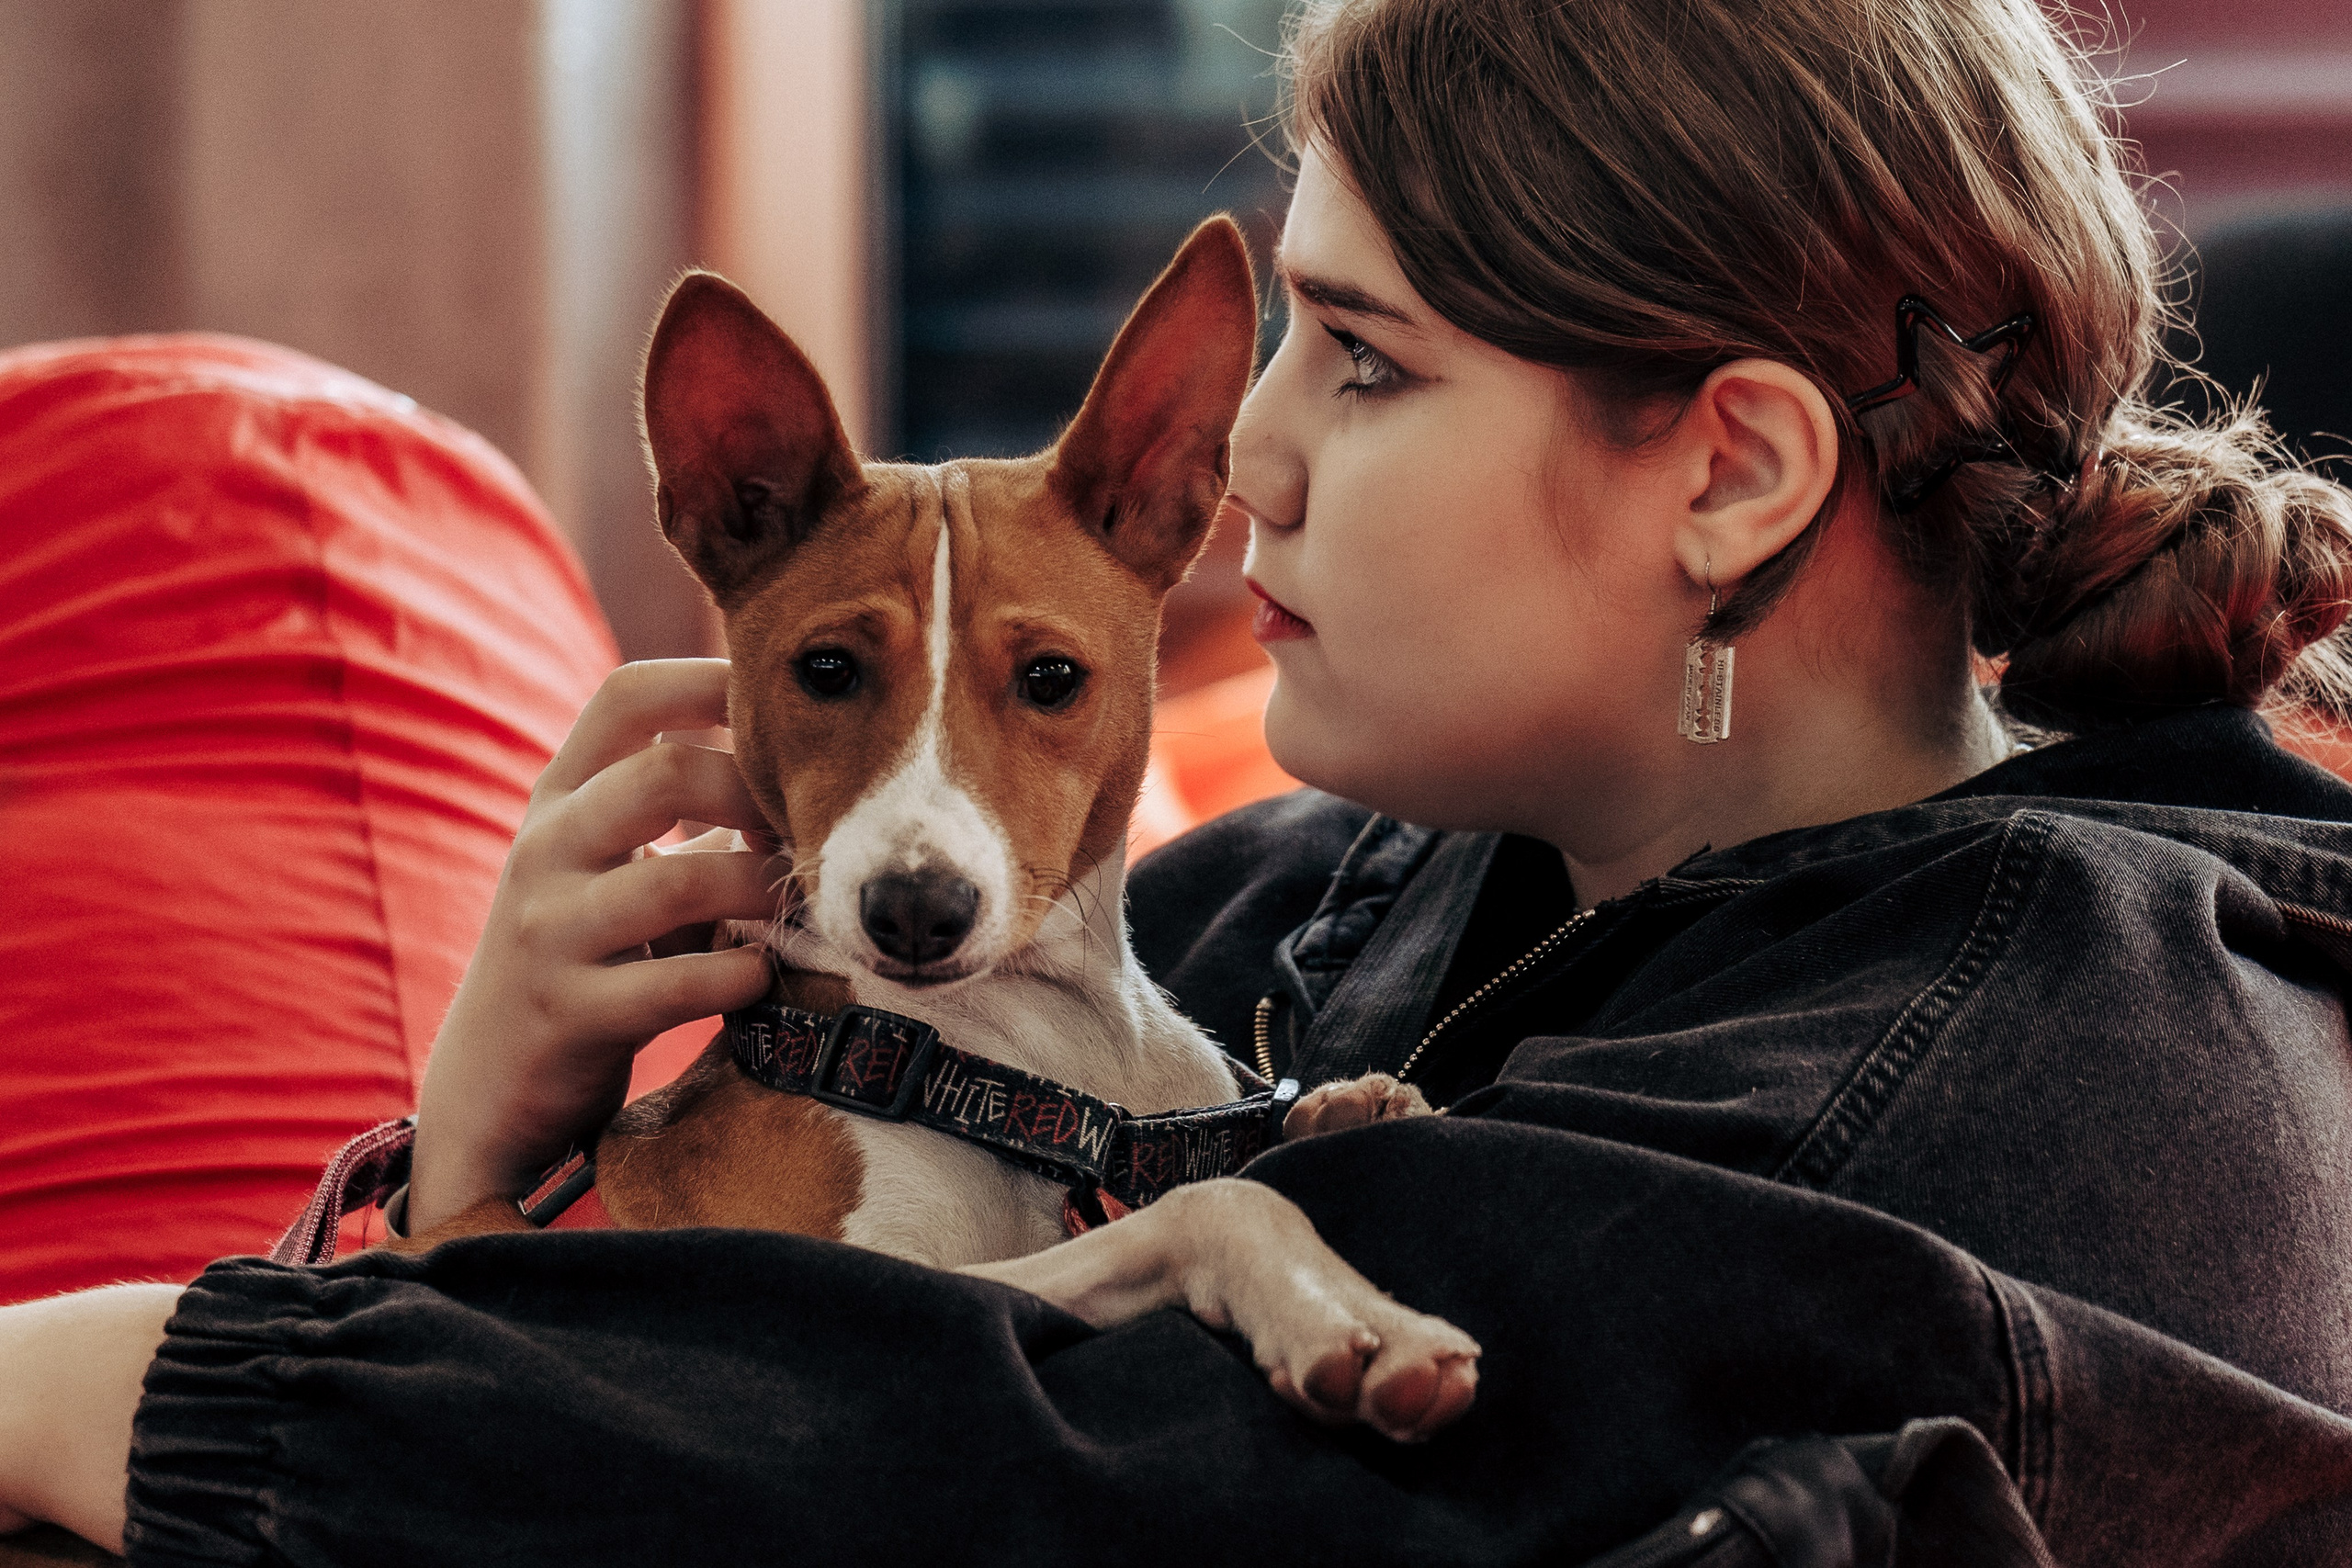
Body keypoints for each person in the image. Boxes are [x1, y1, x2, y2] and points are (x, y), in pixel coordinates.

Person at [7, 0, 2352, 1561]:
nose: (1236, 460)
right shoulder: (1311, 898)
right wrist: (483, 1134)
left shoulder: (2069, 1068)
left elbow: (1019, 1491)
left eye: (1357, 361)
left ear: (1727, 472)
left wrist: (98, 1375)